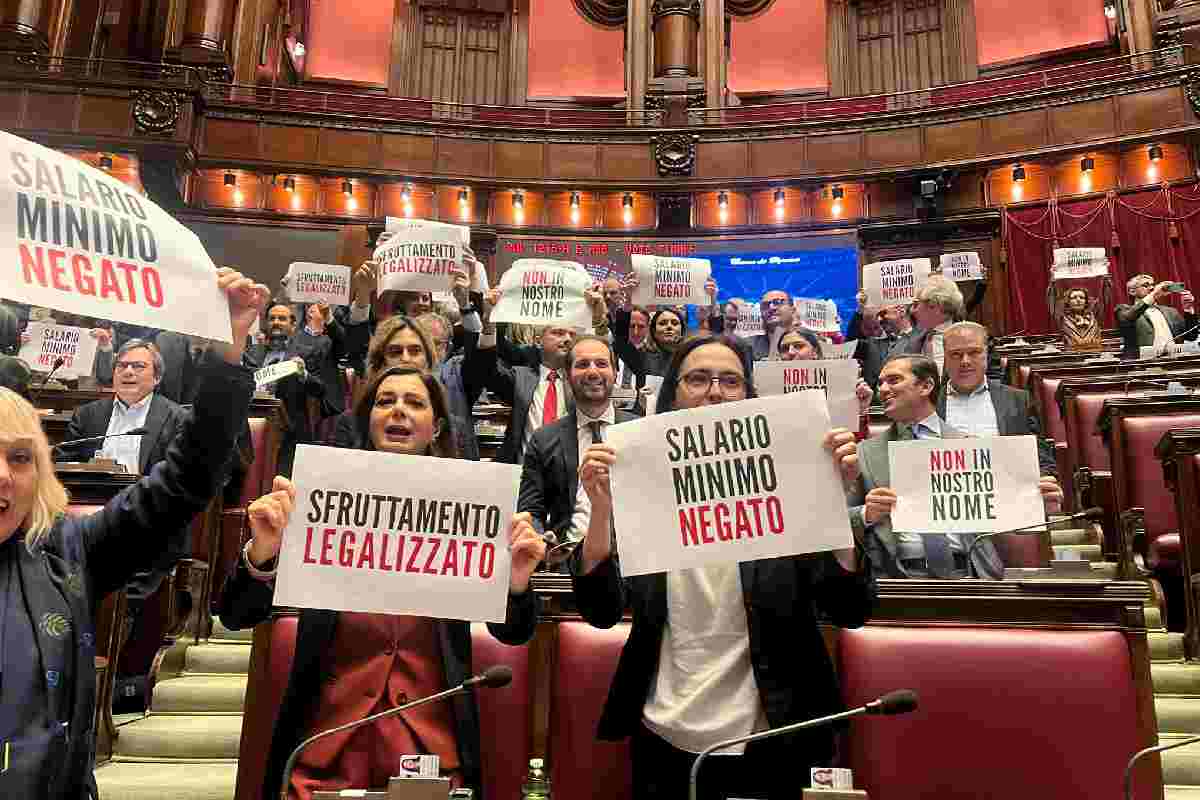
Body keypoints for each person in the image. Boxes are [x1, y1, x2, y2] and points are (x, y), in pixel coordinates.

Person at [217, 365, 546, 800]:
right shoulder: (320, 496)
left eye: (414, 403)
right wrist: (261, 554)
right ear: (368, 419)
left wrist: (517, 582)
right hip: (321, 752)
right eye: (385, 402)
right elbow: (238, 614)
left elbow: (515, 631)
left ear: (437, 426)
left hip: (431, 755)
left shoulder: (471, 506)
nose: (398, 412)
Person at [569, 334, 873, 800]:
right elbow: (601, 610)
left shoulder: (789, 478)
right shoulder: (640, 480)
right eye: (697, 379)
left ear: (749, 396)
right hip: (666, 733)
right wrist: (602, 512)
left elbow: (850, 608)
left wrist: (832, 504)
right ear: (671, 395)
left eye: (730, 381)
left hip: (778, 733)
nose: (715, 391)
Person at [0, 267, 263, 799]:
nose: (3, 475)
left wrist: (225, 356)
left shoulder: (67, 555)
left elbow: (186, 479)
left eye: (20, 458)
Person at [848, 354, 1062, 580]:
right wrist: (866, 513)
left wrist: (1040, 505)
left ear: (926, 386)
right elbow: (840, 521)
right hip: (894, 579)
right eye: (880, 382)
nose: (882, 389)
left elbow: (1012, 514)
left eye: (893, 380)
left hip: (969, 574)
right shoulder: (865, 452)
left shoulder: (972, 447)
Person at [517, 335, 637, 565]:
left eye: (601, 364)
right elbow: (531, 511)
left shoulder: (639, 430)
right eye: (582, 364)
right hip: (567, 561)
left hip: (631, 561)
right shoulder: (544, 439)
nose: (592, 372)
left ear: (615, 373)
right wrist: (541, 540)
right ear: (568, 375)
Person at [937, 322, 1061, 482]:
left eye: (974, 352)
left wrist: (1046, 481)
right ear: (945, 358)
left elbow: (1041, 457)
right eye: (956, 354)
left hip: (1008, 494)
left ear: (986, 354)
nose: (965, 361)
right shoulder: (925, 405)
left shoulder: (1017, 401)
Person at [59, 339, 189, 473]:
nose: (128, 372)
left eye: (138, 366)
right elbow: (64, 465)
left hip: (147, 493)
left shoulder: (178, 419)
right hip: (92, 492)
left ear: (157, 377)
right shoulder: (86, 415)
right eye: (121, 365)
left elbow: (180, 474)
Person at [245, 301, 327, 476]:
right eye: (272, 318)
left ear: (293, 324)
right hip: (250, 428)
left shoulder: (306, 352)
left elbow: (321, 389)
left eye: (282, 319)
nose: (276, 322)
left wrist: (303, 374)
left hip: (290, 432)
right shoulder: (253, 352)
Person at [777, 330, 873, 419]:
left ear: (815, 352)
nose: (790, 352)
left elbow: (854, 435)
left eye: (798, 346)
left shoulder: (840, 386)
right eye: (784, 349)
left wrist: (861, 410)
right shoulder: (771, 388)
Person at [1115, 274, 1198, 359]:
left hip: (1174, 362)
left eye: (1152, 285)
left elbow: (1191, 336)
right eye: (1145, 285)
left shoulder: (1171, 312)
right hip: (1142, 365)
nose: (1151, 288)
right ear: (1132, 291)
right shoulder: (1123, 309)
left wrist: (1188, 308)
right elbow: (1129, 317)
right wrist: (1154, 294)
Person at [902, 276, 964, 372]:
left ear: (934, 306)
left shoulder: (968, 338)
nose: (912, 311)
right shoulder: (913, 341)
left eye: (916, 304)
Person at [749, 290, 795, 361]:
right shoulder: (748, 346)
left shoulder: (810, 340)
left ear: (792, 309)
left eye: (778, 302)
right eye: (765, 305)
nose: (771, 308)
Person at [1055, 286, 1103, 351]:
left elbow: (1104, 298)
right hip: (1073, 354)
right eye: (1074, 298)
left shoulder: (1094, 317)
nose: (1078, 300)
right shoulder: (1062, 319)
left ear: (1086, 301)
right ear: (1068, 301)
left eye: (1082, 297)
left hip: (1095, 352)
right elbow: (1053, 301)